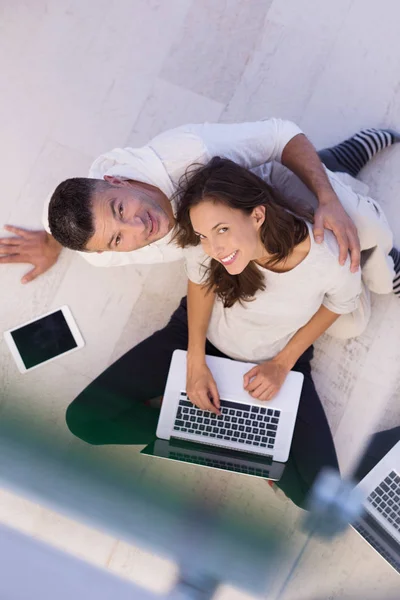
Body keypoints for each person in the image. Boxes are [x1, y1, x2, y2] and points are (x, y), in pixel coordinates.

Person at [65, 154, 398, 508]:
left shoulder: (327, 256)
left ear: (257, 215)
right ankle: (225, 444)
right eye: (204, 236)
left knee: (315, 498)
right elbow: (200, 283)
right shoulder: (207, 243)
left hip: (276, 358)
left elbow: (341, 304)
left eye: (221, 230)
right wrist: (195, 361)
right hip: (198, 338)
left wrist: (283, 364)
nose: (214, 248)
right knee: (84, 420)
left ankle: (340, 160)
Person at [2, 120, 399, 287]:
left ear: (117, 180)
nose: (140, 229)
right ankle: (332, 165)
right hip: (233, 234)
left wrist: (327, 200)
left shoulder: (190, 151)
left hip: (258, 185)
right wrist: (50, 242)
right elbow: (66, 228)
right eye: (118, 239)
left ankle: (336, 165)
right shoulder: (97, 251)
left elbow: (281, 134)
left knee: (361, 224)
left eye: (120, 209)